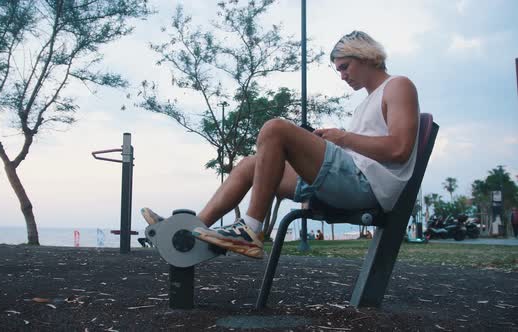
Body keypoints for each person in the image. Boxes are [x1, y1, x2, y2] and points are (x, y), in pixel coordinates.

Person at [141, 31, 419, 259]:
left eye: (345, 67)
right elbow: (364, 148)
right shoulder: (365, 104)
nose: (343, 76)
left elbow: (399, 149)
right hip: (348, 180)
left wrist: (342, 138)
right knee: (250, 164)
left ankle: (250, 230)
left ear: (366, 56)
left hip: (364, 187)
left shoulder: (398, 85)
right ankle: (186, 233)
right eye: (339, 71)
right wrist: (332, 142)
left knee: (276, 129)